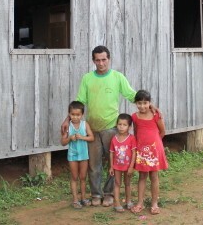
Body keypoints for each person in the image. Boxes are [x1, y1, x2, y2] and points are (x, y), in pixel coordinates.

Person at [61, 45, 144, 207]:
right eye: (97, 60)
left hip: (112, 128)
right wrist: (67, 120)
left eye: (104, 59)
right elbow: (80, 102)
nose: (101, 63)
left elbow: (131, 94)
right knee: (94, 165)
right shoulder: (87, 78)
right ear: (93, 61)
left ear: (109, 59)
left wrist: (148, 106)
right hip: (91, 129)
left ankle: (109, 193)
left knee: (115, 162)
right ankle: (96, 194)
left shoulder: (117, 77)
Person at [130, 90, 168, 215]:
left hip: (154, 150)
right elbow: (136, 133)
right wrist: (140, 147)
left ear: (149, 103)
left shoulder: (156, 115)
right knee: (142, 176)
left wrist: (155, 145)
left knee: (154, 177)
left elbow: (162, 132)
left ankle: (154, 203)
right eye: (139, 103)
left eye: (145, 103)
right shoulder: (135, 117)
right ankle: (140, 202)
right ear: (136, 103)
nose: (142, 106)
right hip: (141, 152)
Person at [61, 101, 94, 209]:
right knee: (74, 177)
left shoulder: (85, 124)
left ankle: (83, 198)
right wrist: (70, 138)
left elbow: (91, 137)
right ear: (69, 114)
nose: (75, 117)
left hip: (84, 155)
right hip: (72, 155)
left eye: (78, 115)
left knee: (83, 177)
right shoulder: (67, 126)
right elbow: (63, 142)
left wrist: (82, 137)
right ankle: (75, 200)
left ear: (82, 115)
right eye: (72, 114)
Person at [108, 113, 137, 212]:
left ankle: (128, 202)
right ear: (116, 125)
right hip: (117, 167)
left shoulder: (131, 138)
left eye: (124, 125)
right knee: (117, 183)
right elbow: (111, 153)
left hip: (128, 166)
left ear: (129, 127)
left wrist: (131, 167)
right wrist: (111, 167)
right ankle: (117, 203)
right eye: (119, 124)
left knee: (127, 183)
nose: (121, 127)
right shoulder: (114, 139)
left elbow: (134, 153)